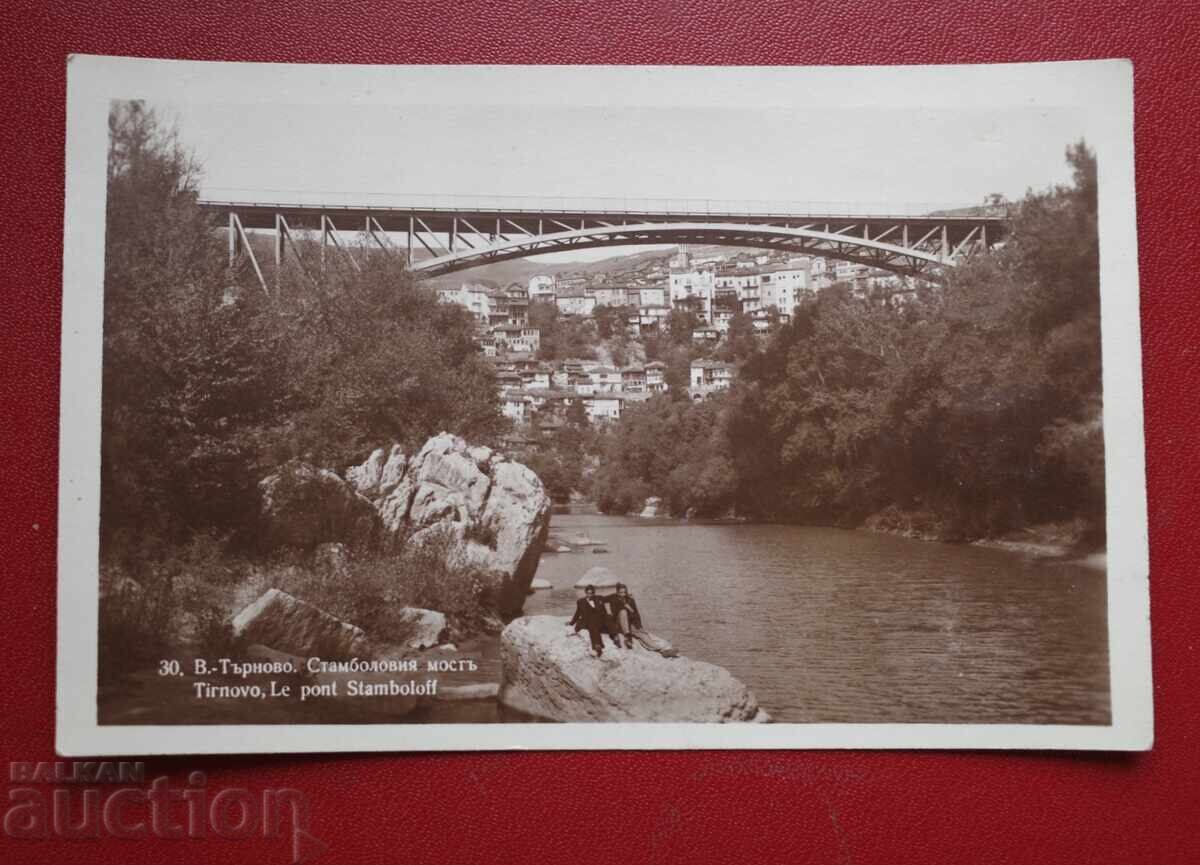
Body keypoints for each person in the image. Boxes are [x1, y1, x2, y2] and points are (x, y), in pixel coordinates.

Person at [568, 584, 619, 657]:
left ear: (594, 593)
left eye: (591, 593)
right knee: (593, 624)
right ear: (585, 593)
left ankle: (615, 637)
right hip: (588, 622)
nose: (590, 595)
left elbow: (610, 597)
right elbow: (577, 613)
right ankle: (597, 646)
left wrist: (625, 595)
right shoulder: (580, 602)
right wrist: (571, 623)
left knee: (608, 617)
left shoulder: (599, 598)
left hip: (600, 621)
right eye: (588, 593)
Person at [605, 583, 641, 650]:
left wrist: (639, 625)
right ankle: (624, 637)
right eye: (621, 592)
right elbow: (602, 599)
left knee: (642, 634)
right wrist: (608, 610)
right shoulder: (613, 597)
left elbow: (636, 613)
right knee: (623, 612)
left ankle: (628, 638)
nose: (623, 594)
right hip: (617, 622)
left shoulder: (630, 600)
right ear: (617, 592)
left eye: (624, 592)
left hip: (628, 623)